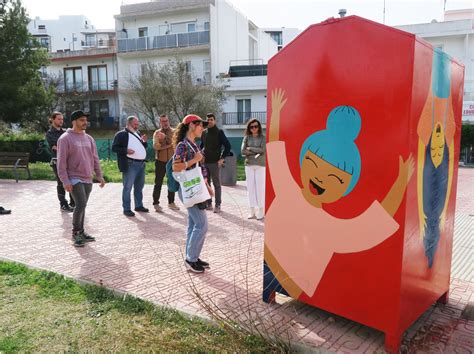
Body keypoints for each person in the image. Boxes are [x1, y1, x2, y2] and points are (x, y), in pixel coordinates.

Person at [263, 89, 414, 301]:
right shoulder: (287, 188)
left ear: (345, 189)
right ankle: (270, 293)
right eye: (313, 163)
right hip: (273, 265)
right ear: (302, 161)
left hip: (296, 284)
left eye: (336, 178)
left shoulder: (331, 227)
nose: (321, 179)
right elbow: (275, 150)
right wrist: (276, 112)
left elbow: (373, 224)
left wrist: (400, 183)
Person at [57, 110, 105, 247]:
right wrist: (65, 180)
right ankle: (76, 233)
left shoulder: (89, 138)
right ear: (74, 122)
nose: (85, 122)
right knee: (81, 203)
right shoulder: (65, 138)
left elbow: (95, 158)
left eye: (85, 120)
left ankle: (82, 232)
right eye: (81, 120)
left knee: (82, 205)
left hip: (87, 177)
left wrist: (99, 175)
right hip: (73, 177)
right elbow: (61, 162)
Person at [172, 114, 212, 273]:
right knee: (202, 224)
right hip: (189, 189)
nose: (202, 128)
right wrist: (194, 160)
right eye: (200, 125)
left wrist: (207, 185)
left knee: (193, 224)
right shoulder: (183, 145)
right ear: (191, 126)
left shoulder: (193, 144)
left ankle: (192, 256)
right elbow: (176, 167)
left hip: (196, 188)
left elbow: (198, 170)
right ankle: (191, 259)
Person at [112, 116, 149, 217]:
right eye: (135, 124)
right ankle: (127, 209)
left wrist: (144, 142)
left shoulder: (138, 133)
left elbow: (143, 147)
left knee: (139, 187)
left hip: (141, 164)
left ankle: (138, 205)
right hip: (130, 164)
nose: (137, 126)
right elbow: (114, 148)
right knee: (127, 187)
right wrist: (126, 150)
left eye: (137, 124)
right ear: (128, 124)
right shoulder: (121, 134)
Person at [200, 113, 231, 213]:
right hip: (205, 163)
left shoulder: (219, 132)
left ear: (215, 121)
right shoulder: (204, 132)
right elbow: (201, 146)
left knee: (216, 184)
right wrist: (200, 155)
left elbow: (228, 146)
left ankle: (218, 204)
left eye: (211, 119)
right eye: (208, 119)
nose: (209, 121)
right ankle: (209, 203)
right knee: (206, 183)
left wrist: (222, 158)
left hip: (215, 163)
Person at [45, 111, 75, 212]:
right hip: (57, 161)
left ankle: (73, 202)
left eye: (62, 119)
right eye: (59, 119)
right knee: (61, 182)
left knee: (71, 180)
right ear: (52, 120)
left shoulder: (66, 132)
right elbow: (55, 147)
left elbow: (71, 144)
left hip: (69, 161)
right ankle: (63, 204)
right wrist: (67, 148)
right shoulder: (49, 133)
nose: (61, 121)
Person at [152, 114, 179, 212]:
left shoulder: (174, 132)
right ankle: (156, 204)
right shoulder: (157, 133)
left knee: (171, 182)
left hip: (171, 161)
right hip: (160, 161)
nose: (165, 123)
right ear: (160, 123)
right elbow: (156, 147)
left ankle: (171, 203)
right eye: (163, 121)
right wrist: (168, 145)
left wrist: (165, 138)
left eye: (166, 120)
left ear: (169, 121)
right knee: (158, 183)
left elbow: (175, 144)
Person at [241, 118, 266, 220]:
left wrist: (250, 148)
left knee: (260, 188)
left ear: (259, 127)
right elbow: (243, 151)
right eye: (251, 127)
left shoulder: (263, 138)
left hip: (260, 165)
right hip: (249, 165)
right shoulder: (246, 138)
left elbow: (263, 150)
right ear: (249, 128)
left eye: (256, 126)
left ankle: (261, 210)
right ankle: (252, 211)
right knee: (250, 188)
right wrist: (257, 152)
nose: (254, 128)